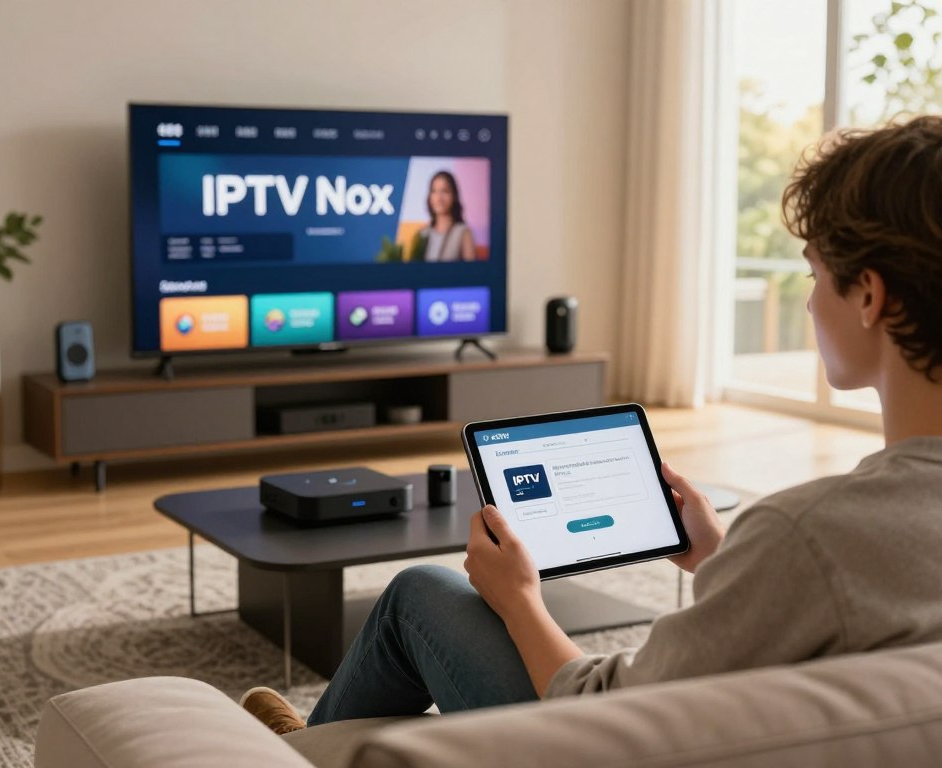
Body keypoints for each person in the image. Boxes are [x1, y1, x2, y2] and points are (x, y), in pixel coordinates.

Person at [241, 116, 942, 733]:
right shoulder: (833, 541)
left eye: (814, 275)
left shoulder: (811, 533)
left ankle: (297, 753)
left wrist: (519, 598)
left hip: (605, 747)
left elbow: (602, 713)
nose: (811, 303)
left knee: (418, 594)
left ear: (869, 295)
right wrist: (722, 558)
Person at [412, 171, 477, 262]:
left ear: (454, 196)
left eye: (445, 191)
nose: (439, 198)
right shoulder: (423, 233)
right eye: (434, 191)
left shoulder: (463, 232)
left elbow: (472, 269)